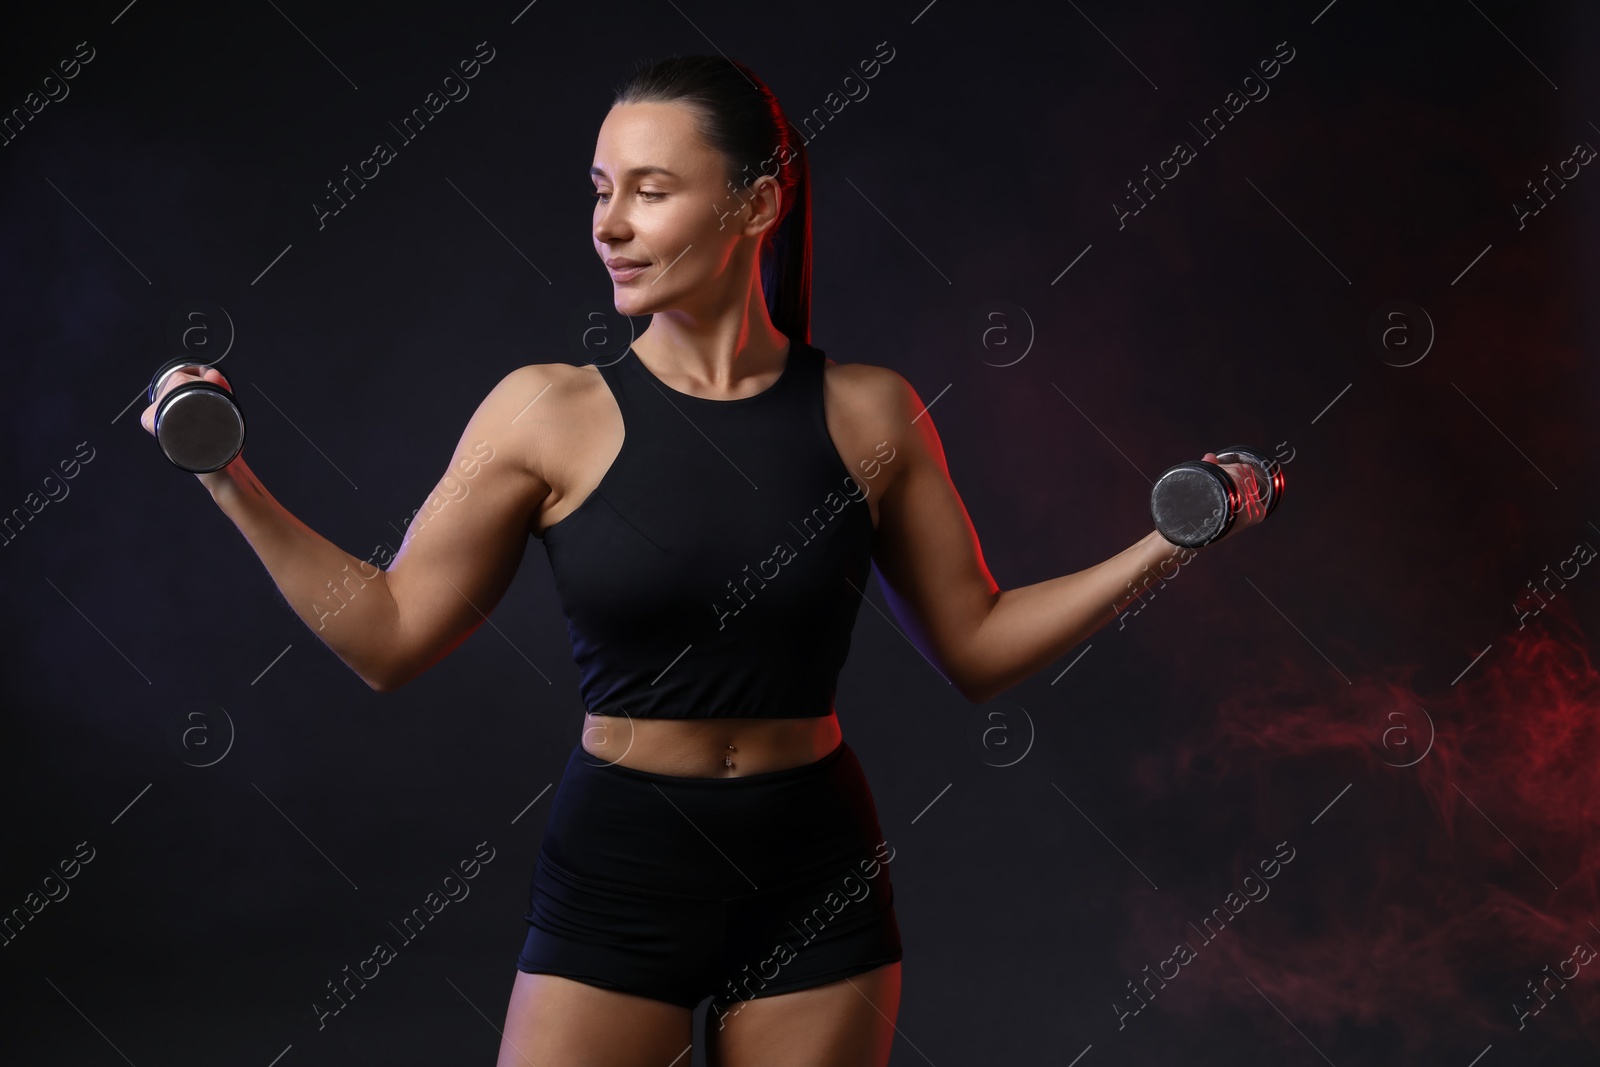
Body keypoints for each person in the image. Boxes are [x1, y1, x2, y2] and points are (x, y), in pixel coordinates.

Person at [143, 54, 1267, 1067]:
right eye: (600, 189)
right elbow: (386, 635)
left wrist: (1165, 543)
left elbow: (975, 646)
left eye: (651, 189)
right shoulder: (544, 412)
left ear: (756, 202)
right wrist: (220, 473)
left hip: (813, 871)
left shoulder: (870, 412)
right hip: (621, 867)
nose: (610, 225)